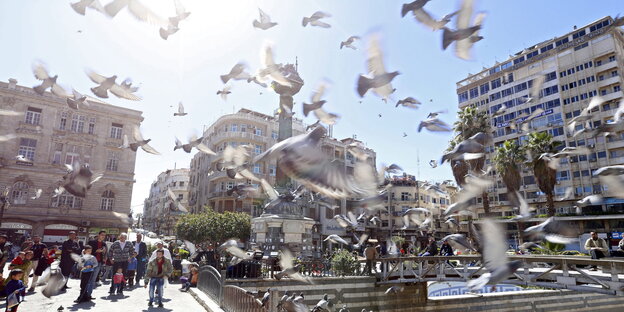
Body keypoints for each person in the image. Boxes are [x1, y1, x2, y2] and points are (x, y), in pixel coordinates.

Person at [87, 230, 107, 299]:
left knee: (93, 280)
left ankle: (89, 295)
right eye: (102, 235)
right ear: (98, 235)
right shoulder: (91, 242)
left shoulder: (104, 244)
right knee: (87, 279)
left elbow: (104, 254)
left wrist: (104, 254)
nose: (103, 236)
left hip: (98, 263)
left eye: (104, 235)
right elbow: (86, 251)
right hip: (90, 262)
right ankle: (84, 294)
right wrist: (96, 251)